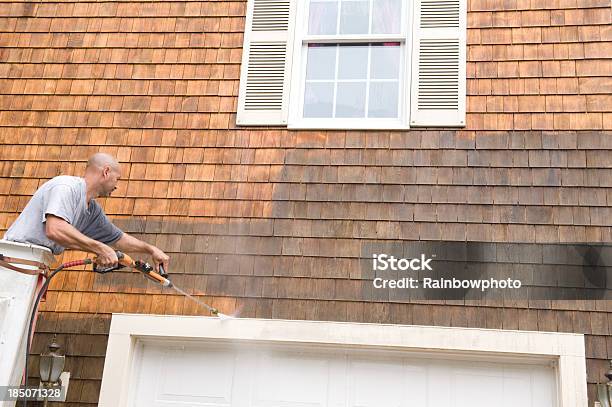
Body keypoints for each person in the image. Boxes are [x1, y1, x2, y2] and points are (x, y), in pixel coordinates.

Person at [4, 153, 169, 271]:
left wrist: (151, 249)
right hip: (14, 258)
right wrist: (100, 249)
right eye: (117, 179)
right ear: (106, 172)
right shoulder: (66, 187)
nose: (117, 186)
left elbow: (118, 239)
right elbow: (55, 229)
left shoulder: (92, 210)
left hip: (37, 262)